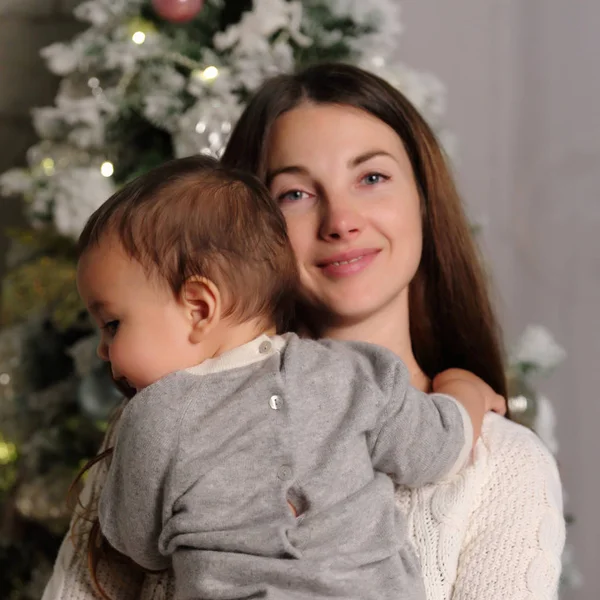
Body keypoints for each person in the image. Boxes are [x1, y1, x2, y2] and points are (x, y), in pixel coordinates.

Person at [42, 63, 565, 600]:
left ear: (423, 201)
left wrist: (460, 396)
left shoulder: (504, 467)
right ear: (246, 235)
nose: (341, 219)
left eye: (372, 177)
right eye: (295, 193)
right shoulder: (153, 425)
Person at [75, 154, 499, 600]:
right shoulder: (353, 374)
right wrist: (463, 389)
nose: (104, 350)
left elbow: (137, 544)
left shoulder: (155, 416)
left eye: (113, 325)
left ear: (200, 307)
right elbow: (439, 447)